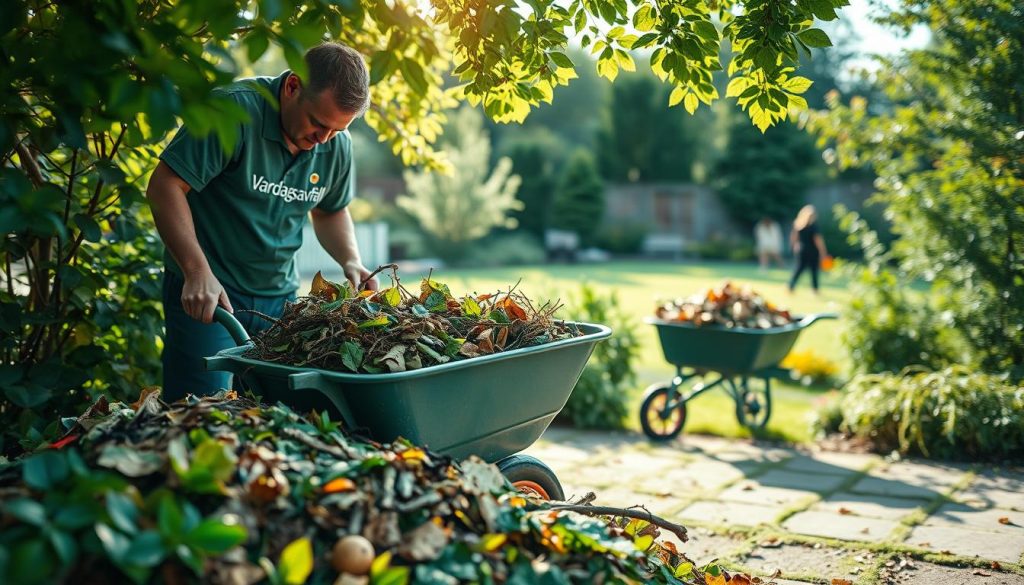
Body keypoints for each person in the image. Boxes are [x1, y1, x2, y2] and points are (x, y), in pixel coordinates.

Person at [146, 42, 379, 400]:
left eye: (336, 130)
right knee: (201, 414)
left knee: (272, 418)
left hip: (279, 301)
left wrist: (350, 260)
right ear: (292, 87)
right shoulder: (232, 111)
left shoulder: (335, 143)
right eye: (318, 124)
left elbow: (330, 210)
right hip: (210, 296)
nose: (323, 141)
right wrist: (196, 271)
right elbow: (165, 186)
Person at [787, 205, 829, 294]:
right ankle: (815, 289)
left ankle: (791, 286)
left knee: (799, 269)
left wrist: (794, 246)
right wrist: (823, 252)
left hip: (801, 250)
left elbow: (793, 237)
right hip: (812, 251)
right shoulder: (814, 227)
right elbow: (818, 241)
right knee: (814, 270)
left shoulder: (798, 225)